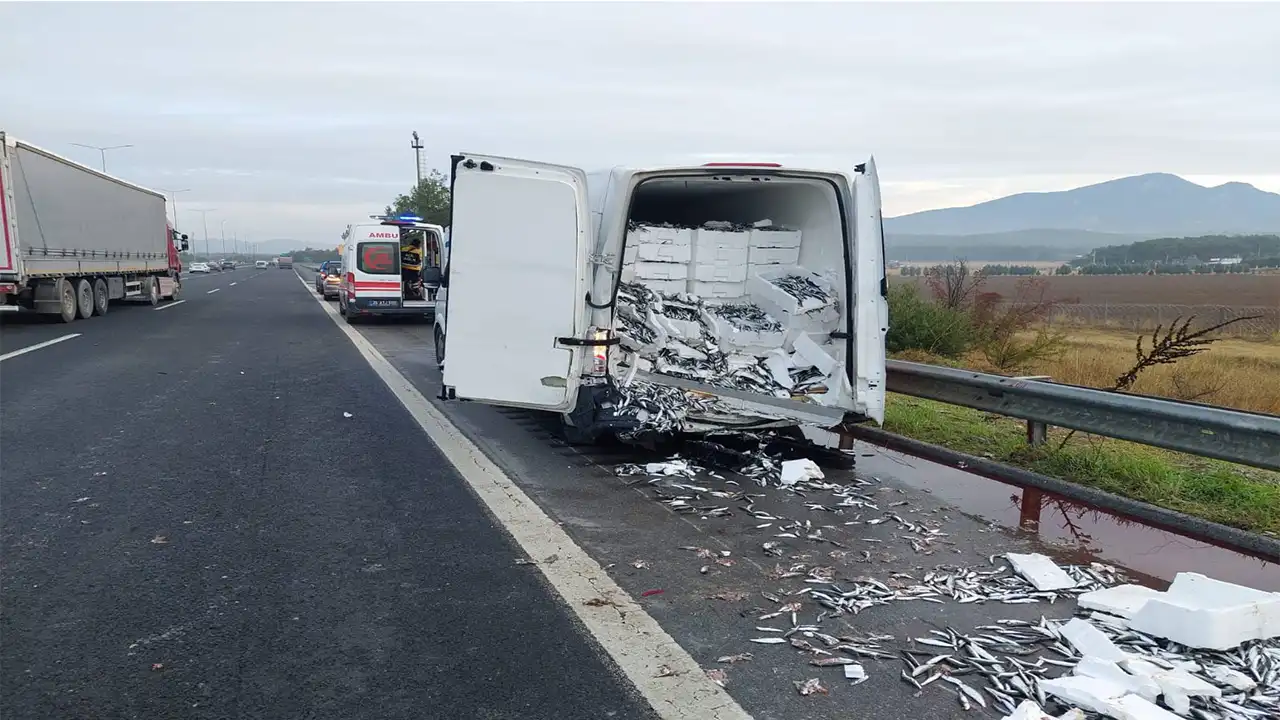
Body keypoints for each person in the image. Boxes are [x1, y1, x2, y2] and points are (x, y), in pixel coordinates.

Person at [400, 234, 424, 300]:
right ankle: (416, 296)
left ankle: (406, 294)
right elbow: (421, 260)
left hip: (404, 269)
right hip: (414, 270)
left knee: (405, 282)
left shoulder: (404, 249)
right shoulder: (419, 251)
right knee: (415, 284)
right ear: (418, 244)